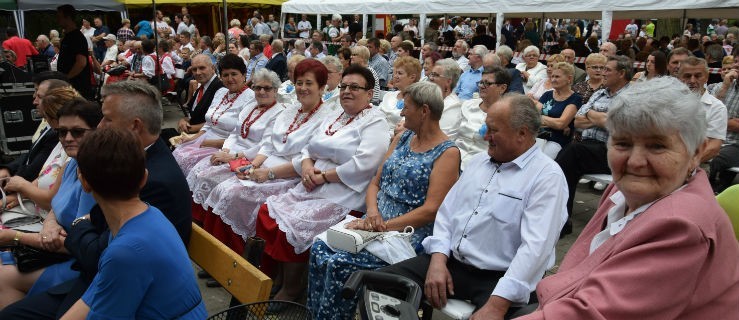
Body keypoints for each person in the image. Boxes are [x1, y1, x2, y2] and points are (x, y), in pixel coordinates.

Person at [518, 77, 739, 320]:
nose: (635, 161)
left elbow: (591, 314)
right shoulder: (623, 191)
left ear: (696, 152)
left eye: (657, 146)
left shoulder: (681, 226)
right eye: (622, 143)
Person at [380, 93, 568, 319]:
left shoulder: (546, 176)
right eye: (486, 127)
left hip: (500, 277)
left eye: (493, 130)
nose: (485, 136)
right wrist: (438, 260)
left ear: (522, 133)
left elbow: (536, 248)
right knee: (379, 286)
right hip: (452, 262)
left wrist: (498, 304)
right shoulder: (479, 163)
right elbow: (447, 215)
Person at [308, 81, 461, 320]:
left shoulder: (447, 153)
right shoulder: (403, 138)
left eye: (406, 107)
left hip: (407, 234)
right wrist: (371, 214)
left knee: (340, 263)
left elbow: (431, 210)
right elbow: (375, 183)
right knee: (319, 249)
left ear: (424, 111)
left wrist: (381, 227)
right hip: (375, 223)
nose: (401, 112)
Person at [255, 64, 390, 303]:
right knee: (268, 211)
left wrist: (324, 176)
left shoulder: (375, 122)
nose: (347, 91)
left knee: (294, 224)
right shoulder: (335, 114)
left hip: (344, 191)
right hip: (314, 181)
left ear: (369, 94)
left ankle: (293, 288)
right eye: (344, 86)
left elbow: (365, 165)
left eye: (355, 87)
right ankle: (276, 276)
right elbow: (309, 146)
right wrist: (307, 165)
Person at [59, 127, 206, 319]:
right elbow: (95, 293)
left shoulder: (125, 252)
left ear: (84, 182)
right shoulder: (148, 215)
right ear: (144, 178)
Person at [194, 59, 334, 254]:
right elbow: (268, 144)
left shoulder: (327, 117)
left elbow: (306, 158)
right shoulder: (291, 110)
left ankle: (238, 255)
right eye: (299, 83)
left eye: (309, 83)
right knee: (221, 186)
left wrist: (266, 173)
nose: (302, 88)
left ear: (322, 88)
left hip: (288, 174)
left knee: (233, 193)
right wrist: (253, 167)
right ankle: (217, 251)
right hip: (264, 166)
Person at [0, 95, 97, 309]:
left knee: (1, 278)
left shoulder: (96, 176)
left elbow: (82, 246)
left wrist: (14, 236)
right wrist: (50, 223)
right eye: (62, 132)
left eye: (77, 132)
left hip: (79, 265)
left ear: (97, 131)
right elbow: (56, 204)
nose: (68, 138)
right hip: (53, 247)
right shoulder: (72, 163)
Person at [186, 68, 283, 212]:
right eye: (257, 87)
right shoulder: (250, 106)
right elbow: (234, 132)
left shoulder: (279, 112)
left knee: (221, 187)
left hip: (250, 158)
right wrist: (225, 151)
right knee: (198, 172)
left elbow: (264, 145)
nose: (262, 92)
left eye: (267, 88)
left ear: (275, 90)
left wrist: (231, 156)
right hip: (231, 152)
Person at [556, 55, 632, 235]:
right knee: (566, 166)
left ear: (621, 73)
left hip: (614, 151)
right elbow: (578, 121)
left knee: (570, 155)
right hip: (588, 147)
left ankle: (559, 219)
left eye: (607, 70)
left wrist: (591, 115)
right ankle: (560, 219)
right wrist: (602, 118)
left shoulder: (631, 96)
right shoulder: (600, 93)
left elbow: (617, 126)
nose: (603, 73)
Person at [173, 54, 254, 176]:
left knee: (190, 164)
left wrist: (203, 142)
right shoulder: (221, 92)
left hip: (225, 147)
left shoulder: (251, 98)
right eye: (225, 75)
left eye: (234, 74)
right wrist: (193, 139)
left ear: (243, 75)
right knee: (176, 154)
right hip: (205, 140)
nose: (229, 78)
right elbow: (209, 124)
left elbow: (242, 137)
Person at [0, 79, 66, 183]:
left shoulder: (56, 132)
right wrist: (7, 168)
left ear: (53, 100)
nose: (34, 100)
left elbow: (33, 171)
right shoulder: (47, 124)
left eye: (39, 96)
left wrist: (8, 180)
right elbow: (29, 155)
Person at [453, 66, 510, 169]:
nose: (481, 86)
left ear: (502, 88)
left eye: (487, 83)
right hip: (453, 158)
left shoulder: (507, 115)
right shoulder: (467, 105)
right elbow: (453, 133)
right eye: (480, 82)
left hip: (482, 166)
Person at [679, 57, 727, 163]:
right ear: (679, 78)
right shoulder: (668, 103)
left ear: (706, 77)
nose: (692, 80)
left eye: (698, 76)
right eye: (687, 76)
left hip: (699, 163)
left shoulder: (717, 108)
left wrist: (688, 165)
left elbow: (714, 147)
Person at [535, 62, 583, 158]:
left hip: (557, 140)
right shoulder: (547, 95)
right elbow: (533, 117)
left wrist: (543, 119)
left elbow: (561, 123)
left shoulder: (575, 98)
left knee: (541, 160)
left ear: (569, 79)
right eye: (552, 76)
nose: (553, 79)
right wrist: (555, 122)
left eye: (557, 77)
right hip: (539, 137)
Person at [55, 5, 93, 100]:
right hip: (70, 86)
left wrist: (67, 78)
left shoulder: (77, 37)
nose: (57, 20)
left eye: (60, 17)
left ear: (68, 18)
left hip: (77, 87)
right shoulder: (67, 37)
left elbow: (81, 62)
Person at [377, 56, 421, 137]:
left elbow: (401, 130)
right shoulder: (389, 95)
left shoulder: (417, 100)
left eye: (400, 73)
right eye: (395, 73)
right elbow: (375, 115)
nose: (395, 76)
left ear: (412, 77)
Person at [428, 58, 463, 136]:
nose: (430, 78)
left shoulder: (453, 106)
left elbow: (439, 136)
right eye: (431, 74)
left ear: (448, 81)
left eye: (436, 75)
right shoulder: (428, 98)